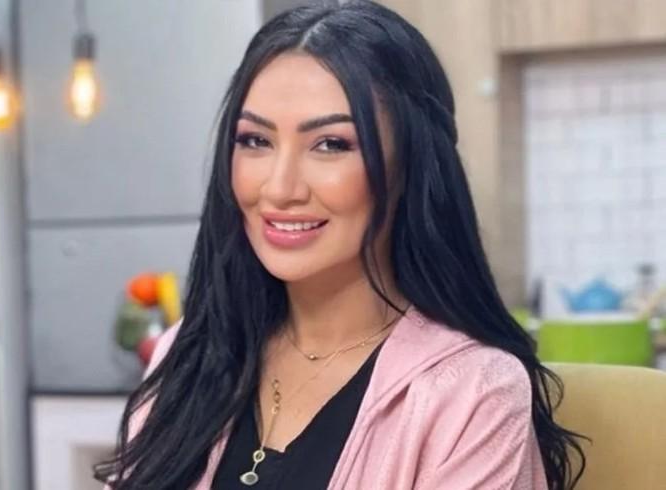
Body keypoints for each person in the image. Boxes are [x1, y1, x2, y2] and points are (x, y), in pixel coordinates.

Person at [95, 1, 586, 488]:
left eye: (331, 144)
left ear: (410, 165)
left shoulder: (474, 392)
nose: (280, 188)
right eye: (256, 141)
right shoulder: (187, 354)